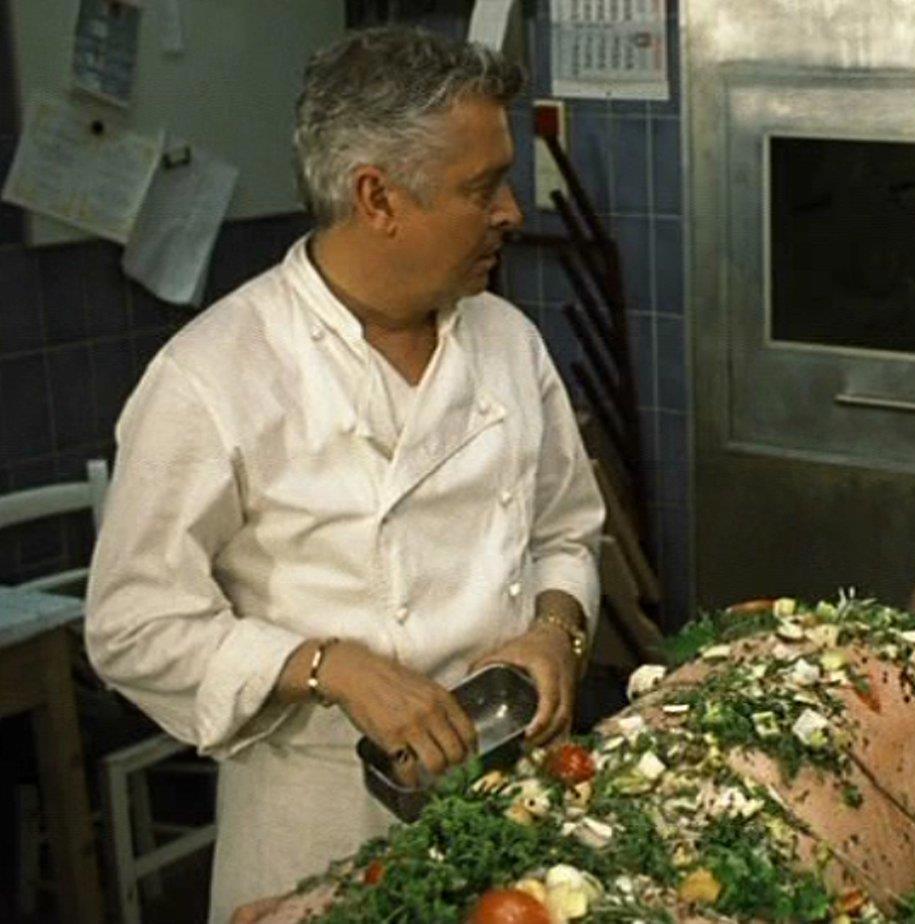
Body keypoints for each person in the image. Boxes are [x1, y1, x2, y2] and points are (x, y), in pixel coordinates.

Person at [84, 27, 605, 921]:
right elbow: (130, 624)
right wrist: (325, 666)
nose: (512, 212)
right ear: (377, 197)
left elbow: (566, 530)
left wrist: (556, 632)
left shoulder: (507, 341)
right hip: (319, 816)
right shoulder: (213, 375)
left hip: (514, 791)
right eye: (481, 188)